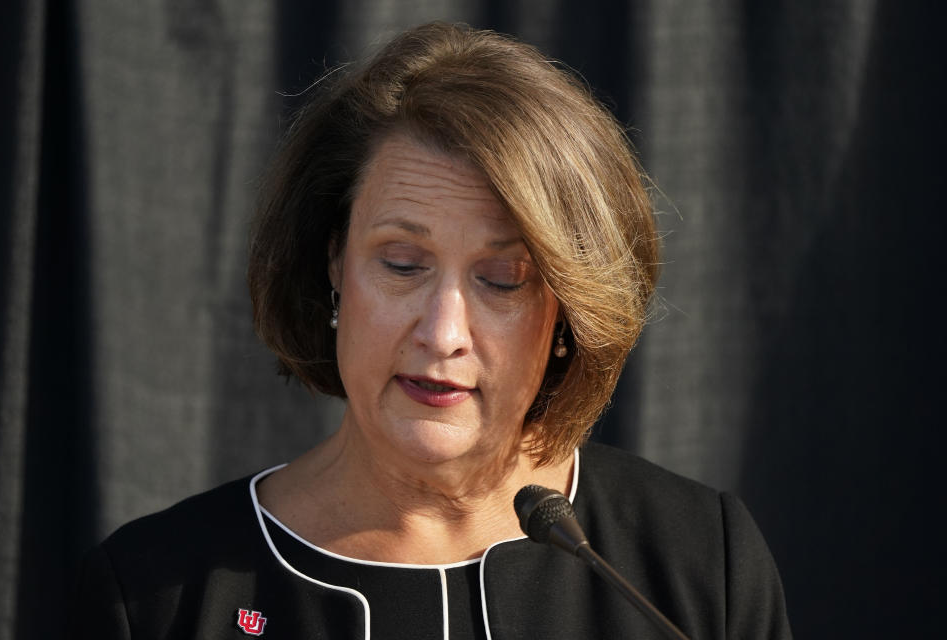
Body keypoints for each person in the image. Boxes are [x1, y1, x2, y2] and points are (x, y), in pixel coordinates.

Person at [72, 22, 791, 639]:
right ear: (334, 266)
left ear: (570, 308)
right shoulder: (156, 596)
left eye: (502, 279)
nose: (444, 332)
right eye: (403, 263)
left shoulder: (696, 562)